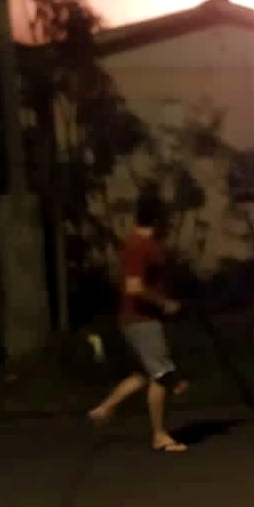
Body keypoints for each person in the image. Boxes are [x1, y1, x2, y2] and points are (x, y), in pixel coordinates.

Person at [87, 186, 189, 452]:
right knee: (162, 375)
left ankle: (104, 409)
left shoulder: (145, 243)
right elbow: (133, 287)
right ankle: (160, 436)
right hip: (140, 319)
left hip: (141, 319)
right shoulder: (138, 245)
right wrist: (164, 302)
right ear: (157, 218)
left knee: (144, 374)